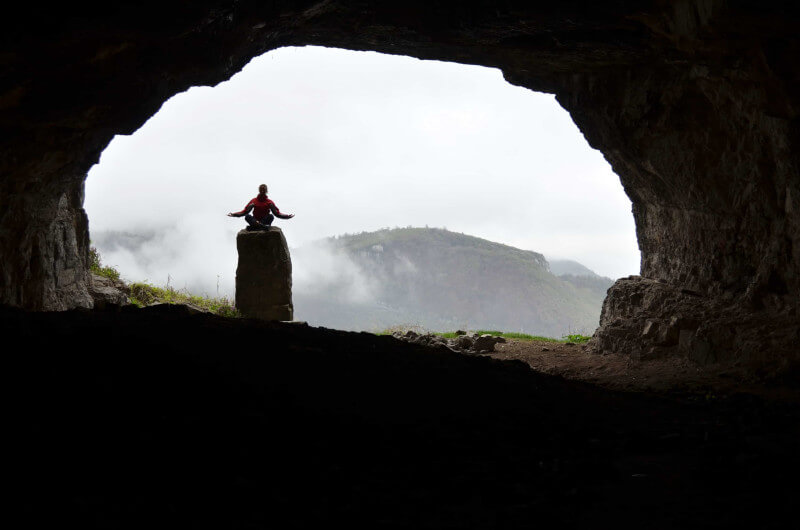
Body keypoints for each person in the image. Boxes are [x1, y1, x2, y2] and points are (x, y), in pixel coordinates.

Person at [228, 184, 294, 230]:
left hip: (264, 221)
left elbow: (277, 213)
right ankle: (261, 226)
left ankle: (257, 227)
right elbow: (244, 212)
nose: (262, 191)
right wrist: (234, 214)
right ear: (259, 190)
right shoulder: (254, 201)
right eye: (261, 190)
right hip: (255, 220)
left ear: (266, 191)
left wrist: (287, 216)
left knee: (271, 216)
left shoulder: (269, 202)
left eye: (264, 190)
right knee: (247, 216)